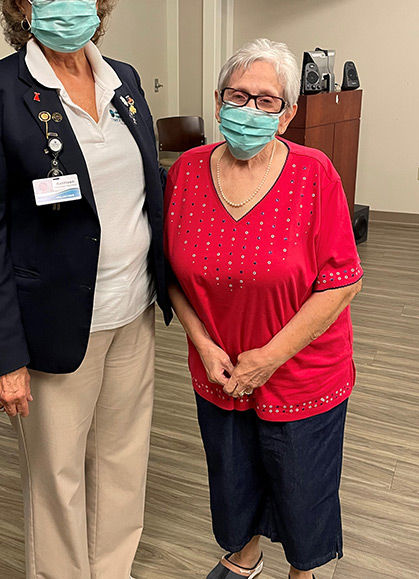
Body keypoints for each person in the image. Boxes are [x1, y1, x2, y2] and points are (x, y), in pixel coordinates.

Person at [0, 0, 171, 578]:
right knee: (57, 479)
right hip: (50, 330)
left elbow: (143, 192)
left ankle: (113, 569)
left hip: (131, 317)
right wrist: (0, 355)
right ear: (21, 0)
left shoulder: (124, 81)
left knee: (124, 461)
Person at [164, 39, 363, 579]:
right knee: (232, 478)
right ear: (218, 99)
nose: (249, 110)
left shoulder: (313, 173)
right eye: (238, 96)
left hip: (301, 373)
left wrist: (269, 358)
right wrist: (204, 346)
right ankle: (244, 557)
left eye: (267, 101)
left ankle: (303, 571)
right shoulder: (185, 171)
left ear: (288, 113)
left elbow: (341, 282)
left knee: (303, 488)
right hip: (220, 372)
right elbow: (172, 274)